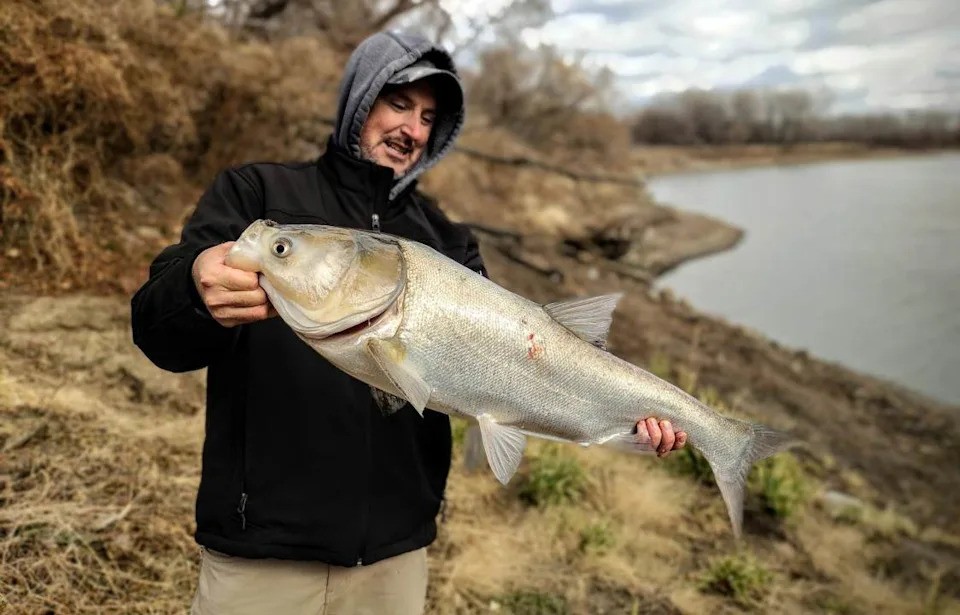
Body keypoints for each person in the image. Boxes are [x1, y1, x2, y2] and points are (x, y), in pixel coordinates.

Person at [130, 29, 686, 615]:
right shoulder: (258, 196)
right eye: (398, 103)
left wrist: (626, 425)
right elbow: (157, 335)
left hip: (395, 558)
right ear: (358, 101)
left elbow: (513, 377)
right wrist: (193, 287)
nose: (412, 130)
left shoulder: (447, 240)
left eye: (428, 117)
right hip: (261, 548)